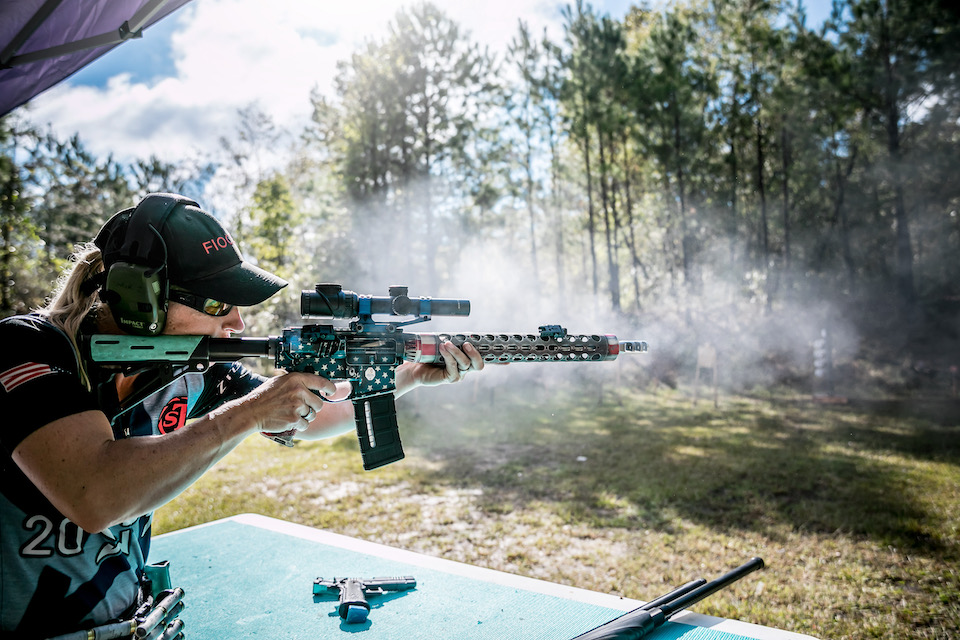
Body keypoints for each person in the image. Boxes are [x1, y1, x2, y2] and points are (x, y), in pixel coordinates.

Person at [0, 193, 484, 638]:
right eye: (217, 304)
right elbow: (96, 495)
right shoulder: (25, 349)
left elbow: (308, 417)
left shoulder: (189, 369)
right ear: (139, 296)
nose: (237, 323)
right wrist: (245, 414)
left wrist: (409, 375)